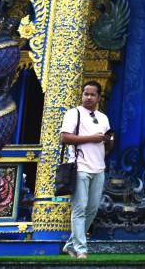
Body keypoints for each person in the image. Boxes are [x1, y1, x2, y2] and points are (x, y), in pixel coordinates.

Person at [60, 81, 113, 259]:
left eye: (92, 94)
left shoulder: (103, 118)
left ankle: (70, 244)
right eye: (85, 94)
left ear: (98, 97)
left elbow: (107, 142)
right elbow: (65, 138)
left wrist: (108, 140)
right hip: (80, 166)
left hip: (99, 167)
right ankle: (81, 249)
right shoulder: (73, 114)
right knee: (80, 208)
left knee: (92, 208)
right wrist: (92, 138)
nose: (88, 97)